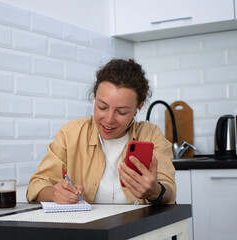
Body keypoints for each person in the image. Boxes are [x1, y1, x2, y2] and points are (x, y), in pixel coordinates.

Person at [26, 59, 176, 205]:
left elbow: (169, 191)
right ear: (94, 98)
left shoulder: (151, 135)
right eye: (102, 107)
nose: (109, 119)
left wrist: (155, 192)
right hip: (88, 229)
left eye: (122, 112)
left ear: (139, 107)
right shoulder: (71, 133)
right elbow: (36, 185)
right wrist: (54, 193)